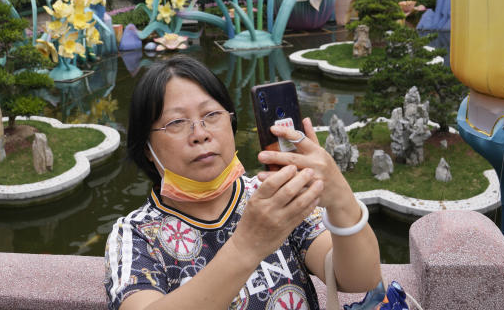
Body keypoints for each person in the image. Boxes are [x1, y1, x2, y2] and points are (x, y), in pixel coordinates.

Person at [104, 56, 382, 310]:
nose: (200, 134)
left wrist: (340, 199)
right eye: (176, 122)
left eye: (211, 115)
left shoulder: (272, 196)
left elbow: (360, 279)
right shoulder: (136, 235)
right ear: (147, 150)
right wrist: (247, 245)